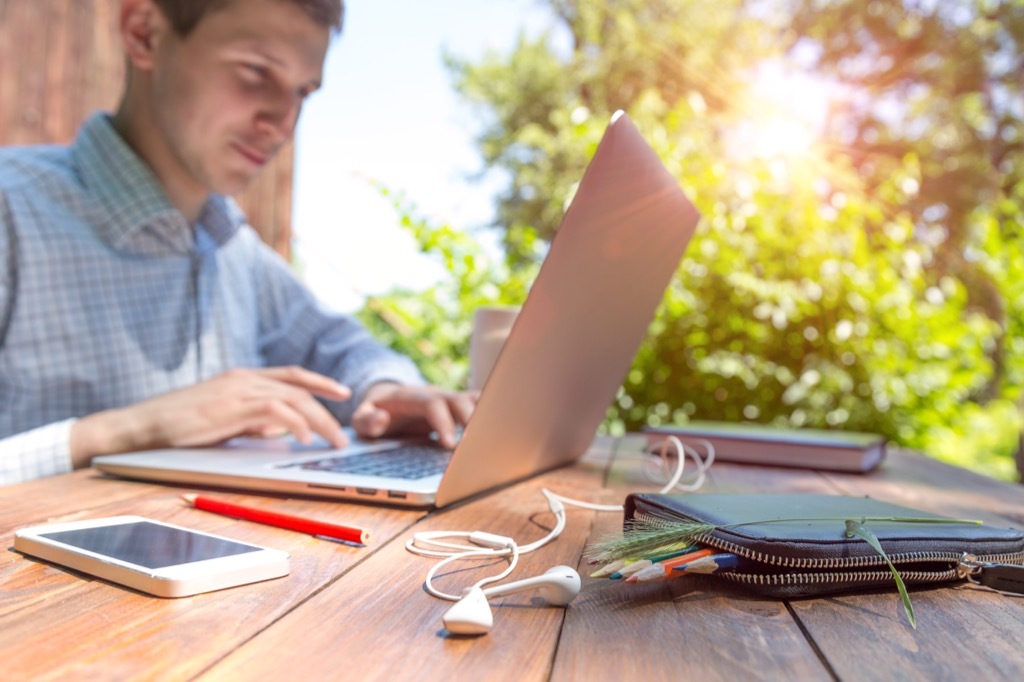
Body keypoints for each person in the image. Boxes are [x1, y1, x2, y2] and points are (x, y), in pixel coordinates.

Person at [0, 0, 476, 485]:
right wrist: (124, 430)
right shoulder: (11, 210)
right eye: (255, 72)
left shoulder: (230, 243)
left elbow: (337, 345)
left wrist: (386, 388)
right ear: (144, 33)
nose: (284, 124)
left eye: (303, 93)